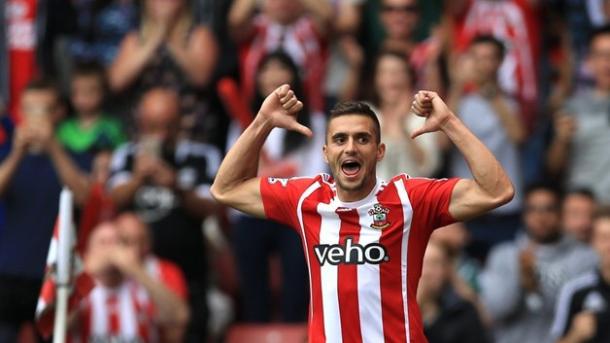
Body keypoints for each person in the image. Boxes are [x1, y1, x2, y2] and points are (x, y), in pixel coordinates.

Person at [210, 83, 515, 341]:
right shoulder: (305, 198)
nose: (351, 148)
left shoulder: (410, 198)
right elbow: (226, 188)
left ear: (379, 151)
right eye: (340, 139)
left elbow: (496, 190)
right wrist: (263, 121)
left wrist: (449, 123)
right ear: (326, 153)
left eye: (363, 139)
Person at [107, 87, 222, 342]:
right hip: (133, 275)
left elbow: (210, 209)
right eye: (151, 126)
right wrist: (138, 178)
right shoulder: (126, 154)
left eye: (166, 125)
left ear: (180, 121)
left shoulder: (202, 156)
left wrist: (176, 185)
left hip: (188, 272)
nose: (159, 134)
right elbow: (113, 201)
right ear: (140, 123)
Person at [226, 51, 325, 322]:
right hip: (255, 208)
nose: (273, 76)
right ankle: (256, 327)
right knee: (246, 242)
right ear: (256, 79)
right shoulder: (244, 123)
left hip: (294, 211)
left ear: (295, 78)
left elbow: (316, 174)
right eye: (266, 70)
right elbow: (233, 174)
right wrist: (272, 175)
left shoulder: (314, 122)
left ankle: (296, 329)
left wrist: (272, 177)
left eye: (282, 69)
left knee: (298, 266)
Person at [0, 79, 92, 342]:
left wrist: (53, 146)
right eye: (29, 110)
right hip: (7, 272)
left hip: (55, 274)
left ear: (59, 113)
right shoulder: (7, 152)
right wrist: (18, 152)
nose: (35, 119)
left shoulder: (77, 155)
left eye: (43, 110)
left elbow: (83, 195)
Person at [480, 184, 598, 343]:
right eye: (533, 209)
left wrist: (534, 288)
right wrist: (520, 282)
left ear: (561, 214)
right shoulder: (503, 255)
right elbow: (495, 311)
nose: (541, 217)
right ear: (524, 215)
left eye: (548, 209)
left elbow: (576, 315)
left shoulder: (584, 257)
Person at [448, 34, 526, 259]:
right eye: (476, 58)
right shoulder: (457, 103)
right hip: (467, 206)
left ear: (500, 62)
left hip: (506, 207)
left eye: (489, 58)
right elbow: (442, 143)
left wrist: (491, 92)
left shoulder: (510, 103)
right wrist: (457, 85)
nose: (483, 64)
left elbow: (519, 136)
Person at [109, 0, 218, 139]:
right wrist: (154, 39)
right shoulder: (135, 39)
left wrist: (170, 39)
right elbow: (116, 81)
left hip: (188, 129)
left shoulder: (198, 35)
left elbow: (202, 77)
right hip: (142, 132)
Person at [73, 215, 189, 343]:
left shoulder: (142, 283)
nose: (112, 250)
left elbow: (178, 317)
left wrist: (135, 269)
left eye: (118, 242)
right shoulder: (78, 286)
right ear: (89, 251)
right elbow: (61, 321)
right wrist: (88, 270)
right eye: (103, 242)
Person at [228, 0, 332, 112]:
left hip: (307, 113)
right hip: (253, 115)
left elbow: (328, 17)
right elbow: (236, 20)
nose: (283, 3)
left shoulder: (312, 29)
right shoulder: (255, 28)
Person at [547, 24, 610, 205]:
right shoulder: (572, 107)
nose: (608, 62)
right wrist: (562, 140)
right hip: (584, 211)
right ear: (589, 61)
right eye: (601, 55)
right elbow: (553, 167)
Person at [371, 50, 440, 180]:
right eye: (384, 72)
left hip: (412, 197)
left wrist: (402, 126)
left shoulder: (422, 120)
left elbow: (429, 166)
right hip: (375, 198)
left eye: (396, 72)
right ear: (376, 79)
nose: (390, 78)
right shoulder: (368, 115)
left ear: (409, 78)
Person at [550, 207, 610, 343]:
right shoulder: (575, 290)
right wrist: (576, 335)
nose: (609, 245)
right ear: (593, 242)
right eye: (604, 238)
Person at [418, 240, 489, 343]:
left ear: (447, 270)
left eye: (435, 264)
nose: (427, 272)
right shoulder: (396, 312)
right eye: (422, 264)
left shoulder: (462, 310)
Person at [57, 61, 126, 155]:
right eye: (77, 92)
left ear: (103, 93)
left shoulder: (111, 128)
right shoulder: (64, 129)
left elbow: (123, 155)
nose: (83, 98)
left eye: (89, 92)